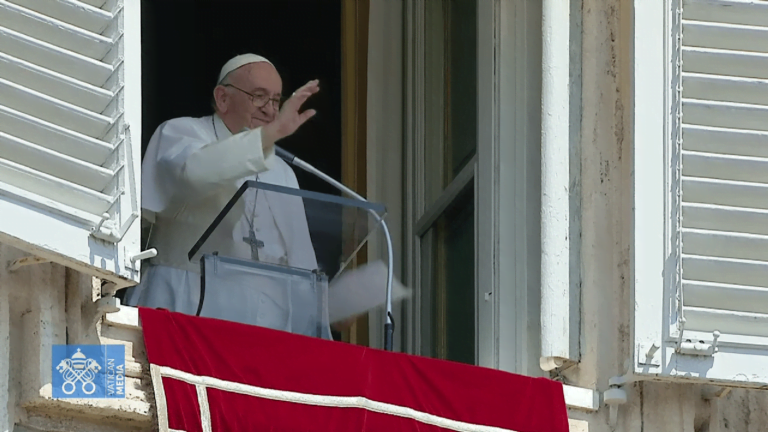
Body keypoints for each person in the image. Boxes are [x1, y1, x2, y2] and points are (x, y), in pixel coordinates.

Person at [124, 54, 324, 332]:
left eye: (276, 100)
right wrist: (271, 134)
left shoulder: (283, 172)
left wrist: (318, 330)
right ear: (223, 98)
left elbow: (304, 270)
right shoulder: (181, 133)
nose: (271, 110)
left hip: (262, 329)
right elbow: (195, 174)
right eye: (259, 97)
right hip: (182, 305)